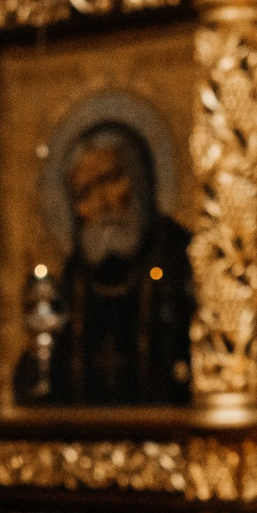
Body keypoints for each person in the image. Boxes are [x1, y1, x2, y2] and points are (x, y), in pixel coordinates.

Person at [42, 123, 194, 406]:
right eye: (85, 193)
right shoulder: (73, 278)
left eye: (111, 178)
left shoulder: (182, 257)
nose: (102, 202)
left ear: (139, 177)